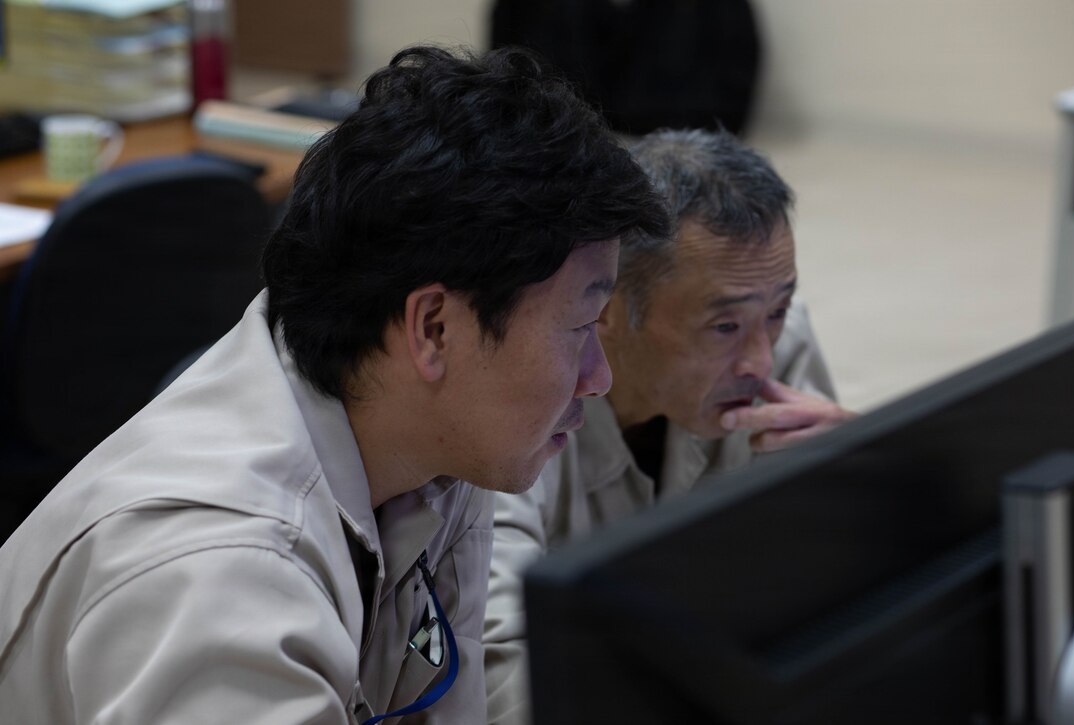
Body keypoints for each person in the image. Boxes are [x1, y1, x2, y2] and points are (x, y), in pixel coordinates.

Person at [0, 46, 669, 723]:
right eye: (582, 326)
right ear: (434, 327)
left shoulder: (431, 449)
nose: (599, 377)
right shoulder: (223, 581)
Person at [483, 127, 855, 724]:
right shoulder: (514, 407)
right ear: (604, 311)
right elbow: (499, 668)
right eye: (724, 327)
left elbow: (833, 601)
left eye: (778, 309)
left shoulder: (780, 342)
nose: (761, 360)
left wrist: (866, 478)